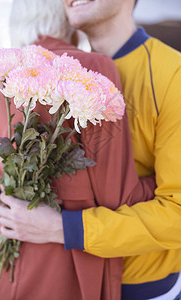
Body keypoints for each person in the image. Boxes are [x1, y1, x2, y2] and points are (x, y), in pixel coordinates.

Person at [0, 0, 156, 299]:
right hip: (64, 271)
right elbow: (119, 196)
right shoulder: (92, 67)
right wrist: (159, 177)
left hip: (6, 268)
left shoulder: (8, 79)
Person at [58, 0, 181, 299]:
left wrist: (62, 228)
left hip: (144, 287)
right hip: (74, 280)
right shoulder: (61, 73)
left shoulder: (172, 74)